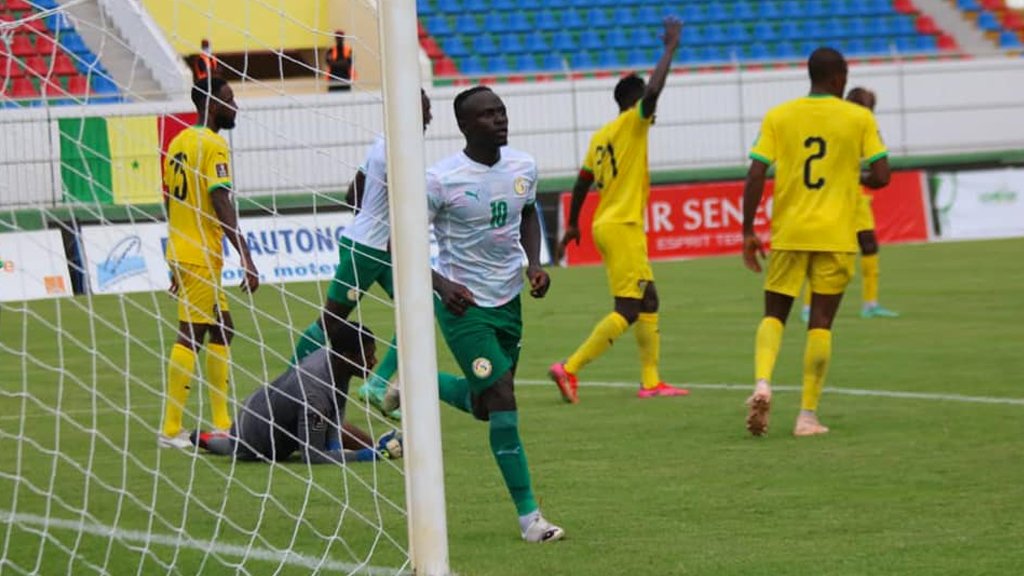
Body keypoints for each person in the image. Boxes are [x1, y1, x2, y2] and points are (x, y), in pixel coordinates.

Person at [426, 85, 563, 542]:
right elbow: (400, 240)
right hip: (465, 308)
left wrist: (535, 263)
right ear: (465, 126)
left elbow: (526, 214)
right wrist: (442, 285)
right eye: (487, 116)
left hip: (508, 303)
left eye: (501, 112)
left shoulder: (524, 166)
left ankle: (417, 385)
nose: (499, 120)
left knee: (487, 407)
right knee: (503, 397)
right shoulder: (440, 179)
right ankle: (530, 519)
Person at [742, 48, 891, 437]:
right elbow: (882, 174)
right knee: (821, 323)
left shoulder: (780, 114)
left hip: (790, 232)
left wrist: (747, 230)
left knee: (774, 315)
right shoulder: (860, 117)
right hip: (836, 235)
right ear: (840, 77)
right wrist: (852, 176)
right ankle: (806, 416)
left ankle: (761, 383)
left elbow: (756, 171)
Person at [549, 16, 688, 402]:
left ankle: (651, 382)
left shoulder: (602, 135)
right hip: (623, 224)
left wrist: (573, 224)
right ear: (635, 100)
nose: (651, 106)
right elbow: (655, 92)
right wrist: (670, 48)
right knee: (628, 308)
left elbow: (581, 182)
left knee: (649, 300)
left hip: (606, 223)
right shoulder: (633, 123)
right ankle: (569, 368)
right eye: (644, 98)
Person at [291, 90, 438, 421]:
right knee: (330, 322)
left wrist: (372, 222)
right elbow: (403, 204)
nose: (430, 118)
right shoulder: (400, 152)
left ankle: (376, 384)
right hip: (369, 249)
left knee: (420, 310)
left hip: (370, 244)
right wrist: (379, 229)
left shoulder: (382, 143)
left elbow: (351, 193)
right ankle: (288, 385)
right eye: (425, 110)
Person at [159, 77, 260, 449]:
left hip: (186, 251)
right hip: (200, 255)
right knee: (191, 332)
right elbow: (221, 202)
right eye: (230, 100)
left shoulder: (178, 142)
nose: (235, 106)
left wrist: (174, 258)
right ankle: (170, 429)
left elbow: (171, 202)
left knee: (223, 328)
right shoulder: (214, 144)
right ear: (213, 105)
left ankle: (222, 421)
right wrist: (246, 256)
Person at [191, 321, 402, 464]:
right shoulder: (316, 393)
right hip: (255, 438)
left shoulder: (333, 361)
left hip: (256, 407)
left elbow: (334, 420)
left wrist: (339, 449)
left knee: (339, 432)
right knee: (234, 446)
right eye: (368, 356)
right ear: (346, 356)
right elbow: (312, 456)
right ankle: (208, 439)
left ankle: (382, 446)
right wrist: (365, 456)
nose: (374, 361)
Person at [800, 86, 899, 322]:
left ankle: (870, 304)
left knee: (869, 244)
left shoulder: (863, 126)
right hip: (835, 196)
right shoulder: (839, 126)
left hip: (856, 196)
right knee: (824, 249)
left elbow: (876, 157)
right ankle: (807, 305)